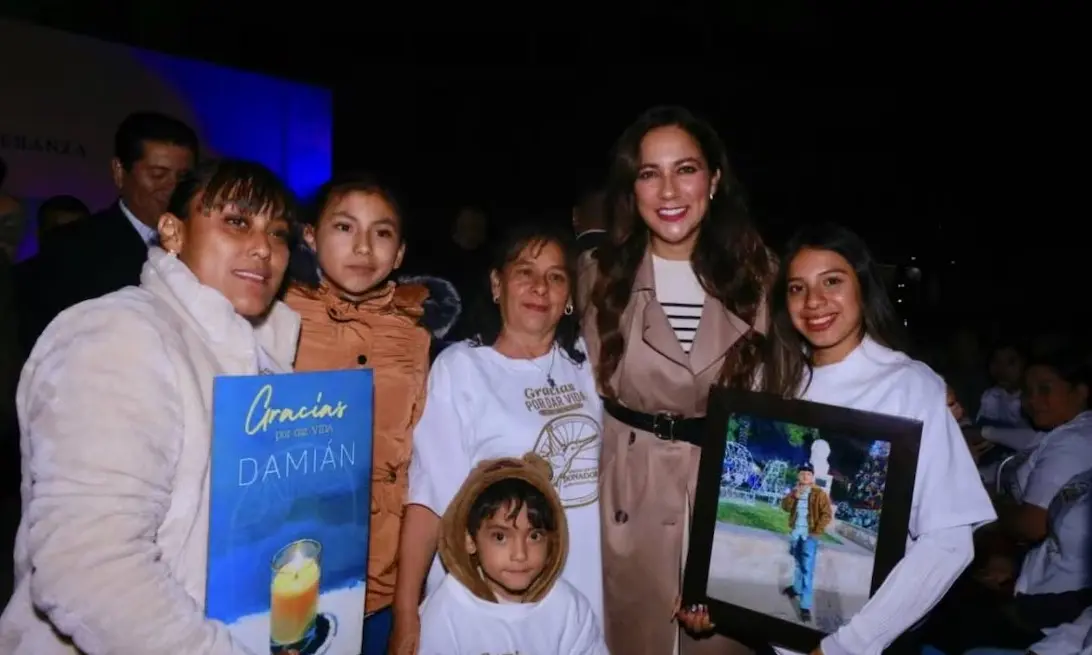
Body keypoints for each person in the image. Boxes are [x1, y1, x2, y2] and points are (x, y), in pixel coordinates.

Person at [0, 159, 301, 655]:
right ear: (172, 231)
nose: (263, 248)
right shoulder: (120, 336)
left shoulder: (263, 360)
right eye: (237, 221)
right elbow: (91, 569)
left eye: (280, 233)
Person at [578, 105, 793, 655]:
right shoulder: (598, 275)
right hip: (626, 491)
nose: (669, 190)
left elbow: (800, 384)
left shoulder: (761, 275)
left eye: (686, 169)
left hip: (727, 494)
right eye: (650, 173)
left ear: (714, 180)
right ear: (632, 187)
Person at [767, 223, 996, 655]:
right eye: (797, 288)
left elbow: (948, 541)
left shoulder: (910, 386)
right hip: (778, 634)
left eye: (832, 281)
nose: (814, 301)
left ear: (863, 286)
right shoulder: (774, 381)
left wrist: (847, 646)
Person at [391, 221, 604, 655]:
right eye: (524, 271)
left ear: (569, 297)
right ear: (496, 283)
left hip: (583, 594)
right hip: (486, 608)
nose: (540, 287)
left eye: (556, 276)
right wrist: (406, 610)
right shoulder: (463, 369)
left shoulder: (587, 364)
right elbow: (430, 497)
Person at [284, 172, 431, 654]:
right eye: (345, 227)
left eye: (382, 233)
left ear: (401, 253)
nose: (364, 248)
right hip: (290, 573)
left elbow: (417, 460)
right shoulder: (274, 314)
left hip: (381, 583)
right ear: (310, 235)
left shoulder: (414, 336)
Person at [17, 111, 198, 353]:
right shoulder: (71, 250)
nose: (173, 189)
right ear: (119, 172)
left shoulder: (204, 246)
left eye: (183, 178)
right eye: (158, 175)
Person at [417, 453, 607, 654]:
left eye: (534, 536)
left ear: (552, 540)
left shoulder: (568, 608)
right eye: (500, 537)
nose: (520, 555)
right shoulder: (446, 609)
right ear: (470, 540)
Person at [780, 463, 833, 623]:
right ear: (798, 476)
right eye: (802, 473)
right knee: (797, 563)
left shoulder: (819, 493)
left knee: (807, 570)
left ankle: (805, 606)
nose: (805, 476)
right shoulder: (795, 491)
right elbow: (785, 507)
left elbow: (826, 514)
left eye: (808, 474)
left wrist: (816, 532)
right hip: (796, 535)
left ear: (812, 477)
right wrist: (793, 497)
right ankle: (796, 588)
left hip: (809, 537)